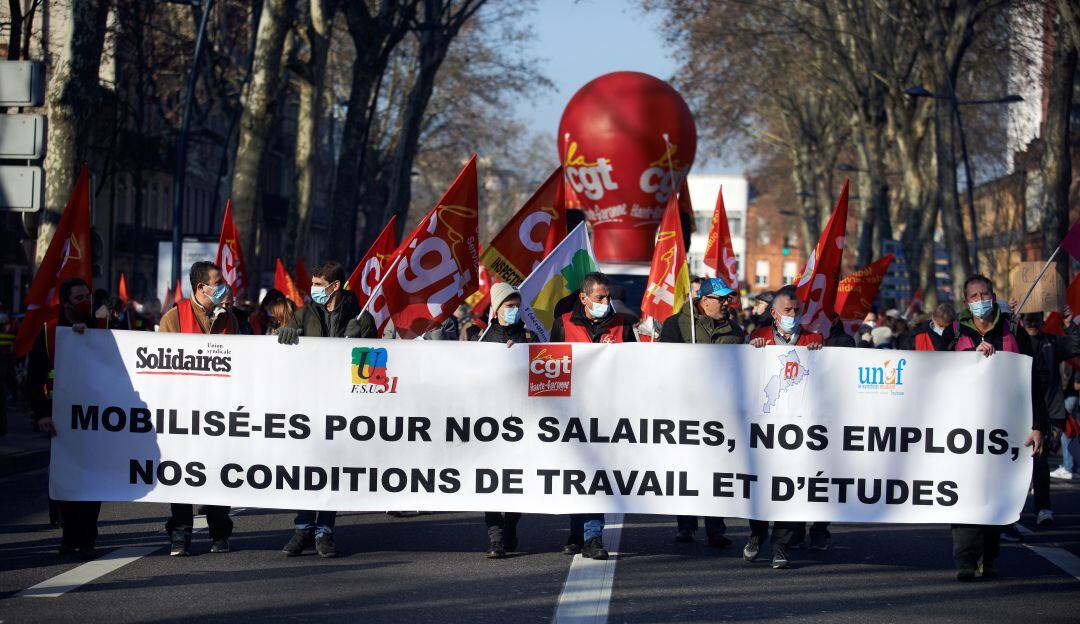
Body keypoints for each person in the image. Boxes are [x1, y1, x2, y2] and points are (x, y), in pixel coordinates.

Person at [951, 274, 1046, 581]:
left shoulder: (1014, 329)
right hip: (963, 427)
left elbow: (1033, 379)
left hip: (1004, 426)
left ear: (994, 296)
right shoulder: (955, 332)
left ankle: (989, 557)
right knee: (965, 493)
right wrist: (969, 357)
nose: (981, 300)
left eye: (985, 294)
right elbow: (937, 372)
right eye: (974, 296)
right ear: (967, 302)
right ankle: (965, 560)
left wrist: (1038, 425)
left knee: (995, 494)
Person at [276, 260, 360, 558]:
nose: (313, 291)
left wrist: (362, 332)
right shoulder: (303, 314)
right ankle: (302, 528)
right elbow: (285, 349)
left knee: (331, 470)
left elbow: (380, 355)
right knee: (307, 468)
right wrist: (285, 334)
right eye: (312, 285)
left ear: (335, 286)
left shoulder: (359, 315)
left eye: (318, 285)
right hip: (309, 404)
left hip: (344, 405)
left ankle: (324, 531)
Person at [550, 272, 635, 560]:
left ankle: (593, 536)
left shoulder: (622, 325)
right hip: (574, 411)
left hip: (608, 411)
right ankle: (577, 532)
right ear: (583, 298)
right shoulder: (563, 324)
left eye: (608, 297)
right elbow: (551, 363)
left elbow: (638, 365)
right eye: (599, 297)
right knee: (576, 474)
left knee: (596, 474)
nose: (605, 302)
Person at [158, 261, 239, 556]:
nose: (224, 286)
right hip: (184, 413)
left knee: (219, 473)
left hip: (221, 414)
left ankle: (219, 532)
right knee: (182, 474)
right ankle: (180, 534)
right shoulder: (173, 318)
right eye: (218, 282)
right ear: (201, 287)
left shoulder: (230, 318)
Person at [660, 277, 741, 548]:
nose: (726, 302)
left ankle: (716, 528)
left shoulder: (735, 330)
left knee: (716, 471)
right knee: (687, 469)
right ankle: (686, 525)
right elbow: (664, 363)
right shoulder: (677, 324)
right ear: (704, 300)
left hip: (720, 412)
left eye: (727, 298)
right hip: (686, 408)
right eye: (721, 298)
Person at [746, 286, 822, 569]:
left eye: (796, 311)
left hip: (798, 428)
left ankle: (781, 546)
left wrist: (819, 354)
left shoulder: (814, 339)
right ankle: (756, 533)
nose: (793, 316)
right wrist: (752, 352)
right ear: (774, 313)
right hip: (766, 427)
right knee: (761, 484)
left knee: (792, 486)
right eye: (787, 311)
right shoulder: (759, 337)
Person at [27, 278, 101, 558]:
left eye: (88, 296)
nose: (86, 301)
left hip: (97, 419)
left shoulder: (102, 330)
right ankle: (70, 535)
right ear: (66, 302)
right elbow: (34, 379)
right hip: (59, 420)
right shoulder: (48, 333)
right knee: (66, 478)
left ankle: (88, 536)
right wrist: (41, 415)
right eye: (79, 297)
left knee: (92, 479)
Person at [477, 283, 537, 558]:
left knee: (515, 479)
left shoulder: (530, 337)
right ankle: (495, 536)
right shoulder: (482, 339)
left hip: (522, 421)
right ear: (497, 308)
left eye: (516, 306)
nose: (513, 311)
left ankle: (511, 524)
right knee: (490, 480)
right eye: (508, 306)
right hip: (490, 422)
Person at [1018, 310, 1080, 527]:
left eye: (1037, 320)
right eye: (1029, 320)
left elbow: (1075, 346)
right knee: (1016, 460)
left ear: (1043, 321)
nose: (1033, 324)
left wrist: (1069, 323)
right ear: (1021, 322)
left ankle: (1043, 507)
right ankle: (1014, 505)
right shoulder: (1015, 343)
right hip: (1019, 411)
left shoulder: (1051, 343)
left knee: (1041, 461)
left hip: (1048, 412)